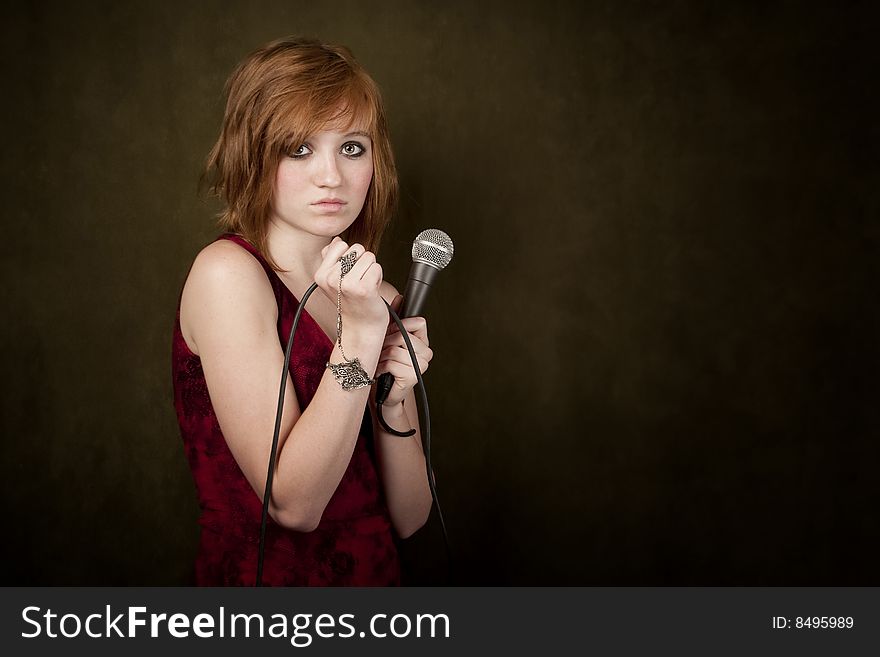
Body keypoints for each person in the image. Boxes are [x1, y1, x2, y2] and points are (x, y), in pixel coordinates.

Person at [171, 36, 434, 586]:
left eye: (352, 148)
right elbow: (292, 506)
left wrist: (396, 396)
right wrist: (360, 344)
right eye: (300, 149)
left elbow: (410, 517)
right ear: (254, 154)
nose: (332, 177)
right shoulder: (230, 276)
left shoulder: (375, 296)